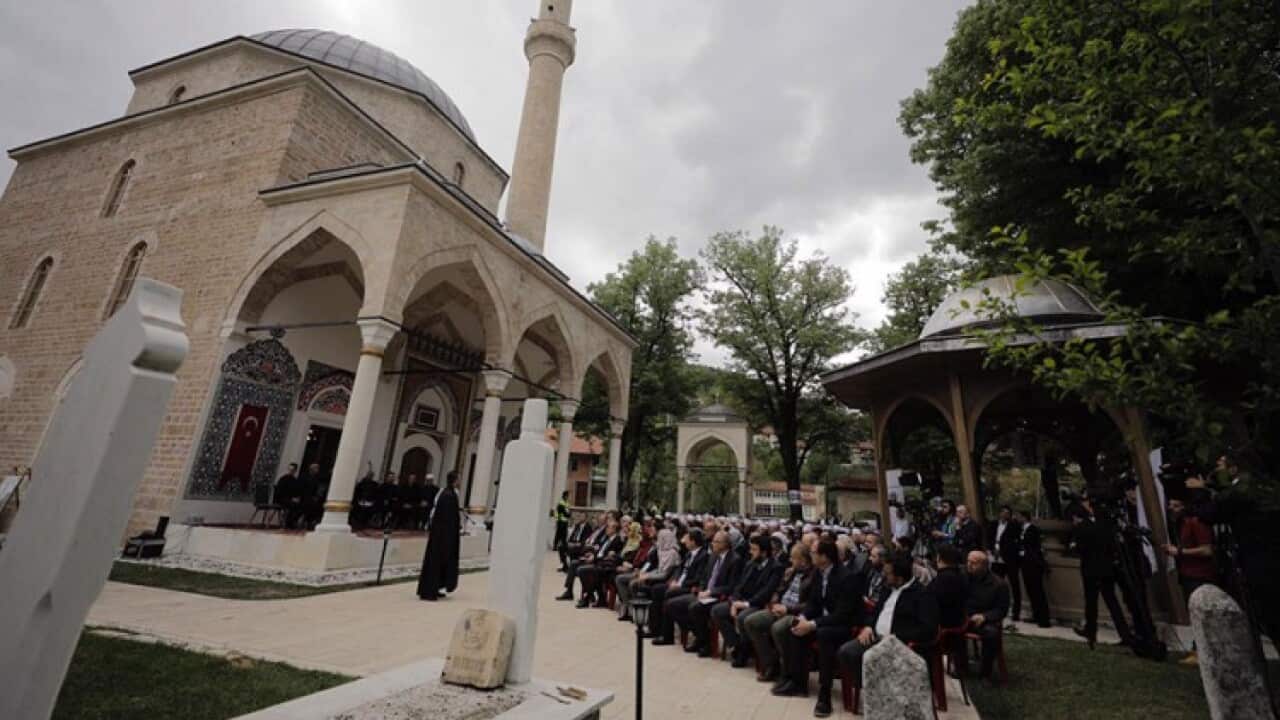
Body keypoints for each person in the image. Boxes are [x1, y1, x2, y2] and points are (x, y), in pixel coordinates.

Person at [774, 541, 866, 718]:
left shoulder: (847, 577)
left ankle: (825, 693)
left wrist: (812, 624)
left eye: (814, 552)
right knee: (795, 628)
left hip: (843, 626)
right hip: (823, 620)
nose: (811, 555)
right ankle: (797, 682)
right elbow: (814, 603)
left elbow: (842, 615)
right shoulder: (818, 573)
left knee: (824, 635)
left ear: (824, 557)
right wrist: (802, 618)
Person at [837, 550, 940, 697]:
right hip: (875, 637)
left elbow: (928, 628)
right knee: (846, 651)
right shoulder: (887, 589)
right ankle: (870, 688)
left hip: (899, 643)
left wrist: (894, 637)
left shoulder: (922, 595)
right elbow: (874, 613)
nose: (883, 576)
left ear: (899, 577)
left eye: (887, 573)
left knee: (870, 658)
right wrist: (868, 627)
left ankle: (881, 692)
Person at [1069, 502, 1138, 649]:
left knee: (1091, 602)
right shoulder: (1106, 528)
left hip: (1090, 570)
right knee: (1112, 601)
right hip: (1107, 570)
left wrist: (1075, 546)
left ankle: (1091, 631)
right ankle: (1125, 633)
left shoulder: (1081, 529)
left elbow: (1080, 549)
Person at [742, 542, 813, 683]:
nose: (790, 561)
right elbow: (780, 591)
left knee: (777, 628)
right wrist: (775, 601)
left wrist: (788, 609)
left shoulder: (813, 575)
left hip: (796, 613)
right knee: (751, 621)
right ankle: (771, 663)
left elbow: (810, 604)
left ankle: (788, 670)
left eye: (794, 558)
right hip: (780, 607)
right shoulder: (791, 572)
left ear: (803, 560)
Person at [1164, 496, 1216, 665]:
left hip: (1200, 575)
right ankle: (1198, 648)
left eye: (1176, 505)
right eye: (1170, 505)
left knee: (1200, 615)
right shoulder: (1181, 524)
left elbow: (1207, 550)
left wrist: (1180, 552)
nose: (1172, 509)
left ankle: (1201, 650)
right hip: (1187, 573)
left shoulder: (1196, 522)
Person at [719, 534, 785, 667]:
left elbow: (766, 593)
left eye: (754, 549)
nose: (750, 552)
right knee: (717, 611)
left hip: (758, 604)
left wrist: (744, 604)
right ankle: (738, 645)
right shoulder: (750, 563)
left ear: (764, 552)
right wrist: (734, 602)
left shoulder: (776, 567)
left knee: (743, 617)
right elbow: (739, 585)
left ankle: (744, 651)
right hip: (742, 601)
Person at [673, 530, 741, 656]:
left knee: (695, 608)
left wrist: (711, 592)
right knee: (674, 604)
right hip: (704, 593)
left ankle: (706, 644)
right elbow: (705, 577)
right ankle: (698, 634)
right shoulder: (713, 556)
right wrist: (702, 589)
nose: (712, 544)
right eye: (713, 541)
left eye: (716, 542)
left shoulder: (735, 560)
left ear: (725, 544)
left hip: (719, 596)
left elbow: (731, 586)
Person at [649, 529, 710, 645]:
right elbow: (679, 570)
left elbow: (698, 578)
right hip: (679, 583)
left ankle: (668, 635)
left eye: (687, 539)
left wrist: (680, 584)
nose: (684, 542)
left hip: (690, 586)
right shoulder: (688, 554)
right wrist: (675, 580)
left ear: (693, 541)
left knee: (669, 595)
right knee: (657, 589)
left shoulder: (703, 556)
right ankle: (656, 629)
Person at [962, 550, 1009, 680]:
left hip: (983, 620)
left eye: (974, 563)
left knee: (991, 633)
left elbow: (1001, 610)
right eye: (968, 561)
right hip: (963, 617)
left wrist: (985, 617)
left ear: (984, 565)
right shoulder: (963, 577)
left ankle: (985, 673)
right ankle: (961, 667)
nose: (969, 565)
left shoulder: (999, 585)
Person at [417, 471, 461, 601]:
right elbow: (447, 519)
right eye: (458, 479)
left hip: (444, 535)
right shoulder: (448, 495)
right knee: (435, 562)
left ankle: (436, 587)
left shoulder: (449, 493)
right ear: (454, 480)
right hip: (442, 537)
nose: (460, 482)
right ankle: (429, 590)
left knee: (441, 562)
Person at [617, 526, 677, 621]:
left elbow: (664, 574)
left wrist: (647, 576)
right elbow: (658, 569)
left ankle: (638, 612)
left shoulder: (672, 553)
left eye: (661, 538)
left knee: (634, 583)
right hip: (649, 574)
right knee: (625, 579)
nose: (658, 540)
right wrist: (644, 574)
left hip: (663, 581)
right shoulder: (661, 551)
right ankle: (632, 609)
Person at [1015, 510, 1052, 628]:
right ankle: (1036, 615)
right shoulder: (1022, 529)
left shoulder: (1032, 529)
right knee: (1031, 591)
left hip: (1033, 564)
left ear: (1024, 517)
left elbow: (1033, 547)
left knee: (1038, 591)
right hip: (1026, 563)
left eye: (1019, 516)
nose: (1017, 518)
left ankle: (1044, 619)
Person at [987, 505, 1023, 623]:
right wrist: (992, 550)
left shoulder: (1014, 526)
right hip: (995, 558)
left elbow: (1015, 542)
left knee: (1014, 584)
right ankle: (994, 608)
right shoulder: (993, 524)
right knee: (995, 583)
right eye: (1003, 512)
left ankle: (1016, 612)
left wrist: (1002, 550)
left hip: (1009, 559)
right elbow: (989, 538)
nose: (1004, 515)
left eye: (1007, 513)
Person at [929, 543, 969, 632]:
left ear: (938, 558)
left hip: (943, 625)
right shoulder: (962, 576)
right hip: (959, 620)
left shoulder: (941, 580)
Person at [274, 463, 303, 529]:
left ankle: (291, 523)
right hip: (281, 499)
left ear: (295, 471)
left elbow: (296, 492)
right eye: (290, 469)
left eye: (292, 470)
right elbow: (280, 492)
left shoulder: (295, 480)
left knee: (301, 506)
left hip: (290, 499)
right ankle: (288, 524)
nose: (290, 471)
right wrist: (291, 498)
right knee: (293, 505)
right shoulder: (283, 479)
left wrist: (296, 498)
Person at [553, 491, 572, 570]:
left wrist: (568, 514)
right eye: (568, 496)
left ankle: (562, 545)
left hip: (565, 521)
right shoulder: (561, 503)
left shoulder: (566, 503)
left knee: (563, 535)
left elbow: (568, 512)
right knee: (558, 534)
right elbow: (564, 513)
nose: (568, 497)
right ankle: (555, 546)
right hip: (561, 521)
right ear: (565, 496)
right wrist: (558, 519)